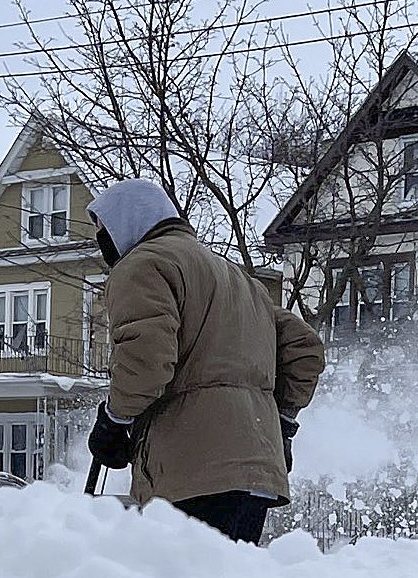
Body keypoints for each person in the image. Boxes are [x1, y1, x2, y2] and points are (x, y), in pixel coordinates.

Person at [84, 179, 325, 544]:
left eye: (103, 230)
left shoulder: (143, 265)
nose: (104, 243)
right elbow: (305, 349)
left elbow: (146, 359)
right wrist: (282, 423)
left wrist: (114, 420)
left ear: (126, 222)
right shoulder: (239, 279)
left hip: (192, 472)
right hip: (258, 474)